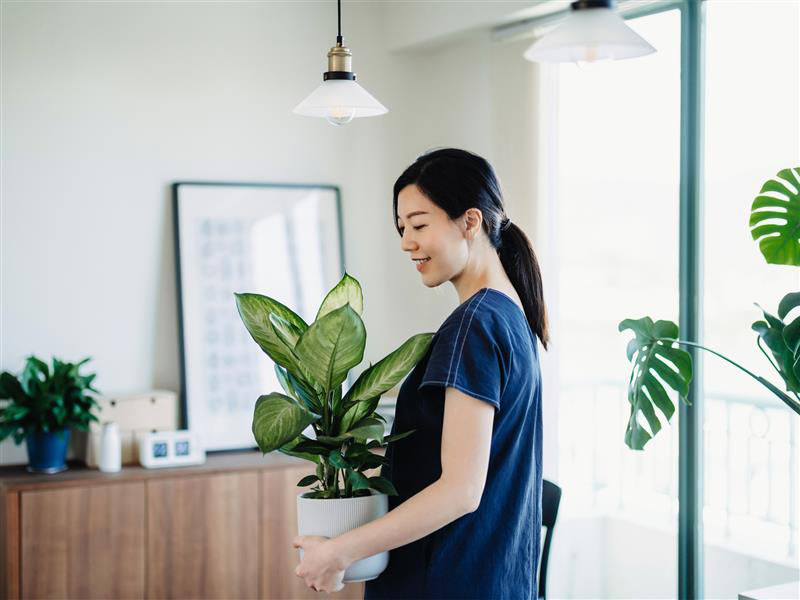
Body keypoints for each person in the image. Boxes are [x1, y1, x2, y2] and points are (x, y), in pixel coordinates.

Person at [292, 148, 548, 599]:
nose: (407, 241)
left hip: (447, 580)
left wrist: (340, 552)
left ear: (471, 221)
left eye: (419, 224)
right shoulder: (510, 317)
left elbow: (460, 490)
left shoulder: (476, 325)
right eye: (402, 228)